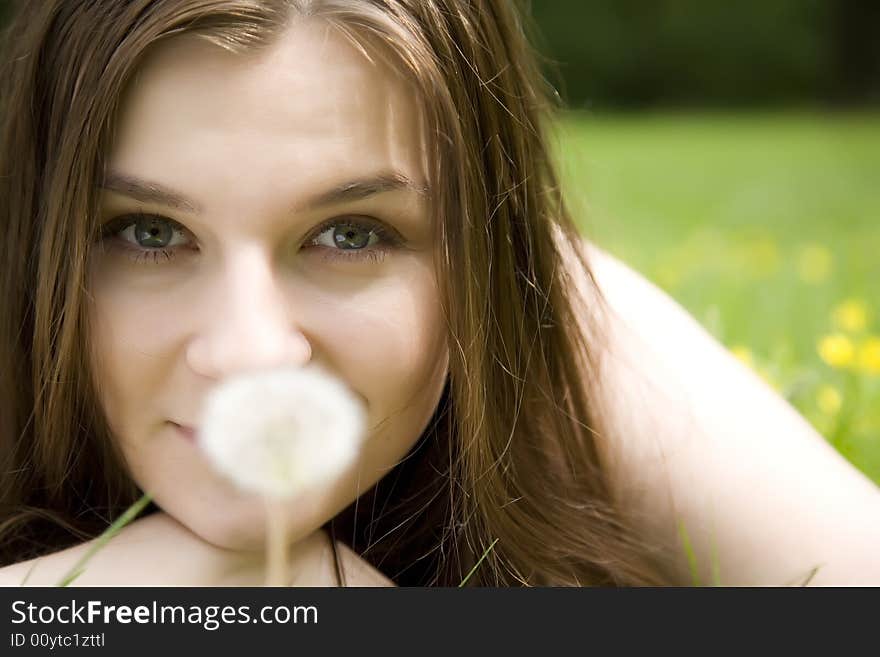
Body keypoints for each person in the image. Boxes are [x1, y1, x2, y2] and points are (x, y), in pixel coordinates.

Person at [0, 0, 877, 587]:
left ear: (483, 254)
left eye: (352, 235)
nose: (251, 352)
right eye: (149, 232)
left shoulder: (561, 330)